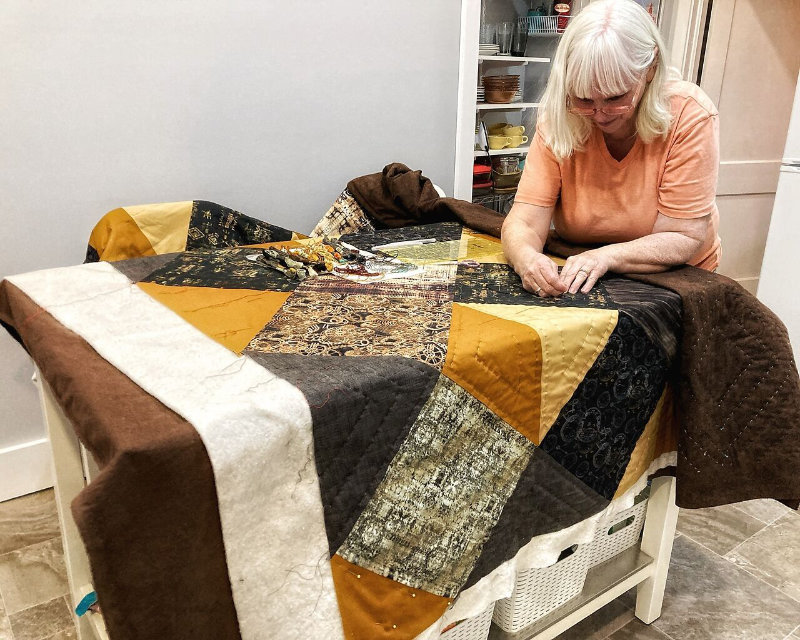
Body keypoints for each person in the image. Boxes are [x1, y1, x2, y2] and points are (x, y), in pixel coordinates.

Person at [502, 0, 721, 297]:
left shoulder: (689, 115)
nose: (600, 115)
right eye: (584, 100)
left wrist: (605, 257)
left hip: (677, 278)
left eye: (616, 98)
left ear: (650, 69)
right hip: (585, 261)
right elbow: (525, 222)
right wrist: (527, 259)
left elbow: (682, 235)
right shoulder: (559, 117)